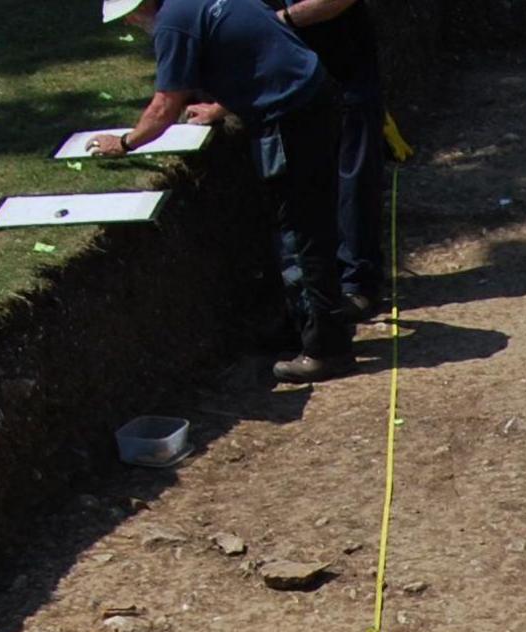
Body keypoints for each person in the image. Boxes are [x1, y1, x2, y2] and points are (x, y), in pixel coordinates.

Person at [90, 0, 353, 384]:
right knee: (299, 224)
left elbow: (165, 105)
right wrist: (221, 108)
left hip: (293, 117)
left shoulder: (172, 24)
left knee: (300, 230)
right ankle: (303, 323)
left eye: (129, 15)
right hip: (309, 97)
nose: (130, 22)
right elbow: (255, 53)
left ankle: (326, 348)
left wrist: (125, 143)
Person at [265, 0, 390, 317]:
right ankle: (324, 288)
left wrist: (281, 20)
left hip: (347, 73)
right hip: (306, 81)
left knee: (353, 180)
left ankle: (358, 285)